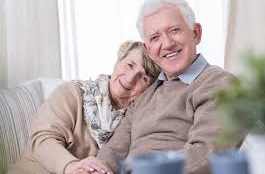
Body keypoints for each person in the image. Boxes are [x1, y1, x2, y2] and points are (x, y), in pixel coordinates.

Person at [81, 0, 236, 174]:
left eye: (175, 30)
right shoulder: (144, 96)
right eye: (155, 37)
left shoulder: (220, 83)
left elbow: (207, 154)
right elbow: (112, 154)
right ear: (148, 51)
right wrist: (93, 170)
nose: (168, 44)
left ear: (196, 33)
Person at [7, 40, 161, 174]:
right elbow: (42, 139)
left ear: (149, 88)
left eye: (144, 77)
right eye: (130, 65)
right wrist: (72, 166)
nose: (130, 77)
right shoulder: (72, 93)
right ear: (117, 62)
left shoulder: (136, 120)